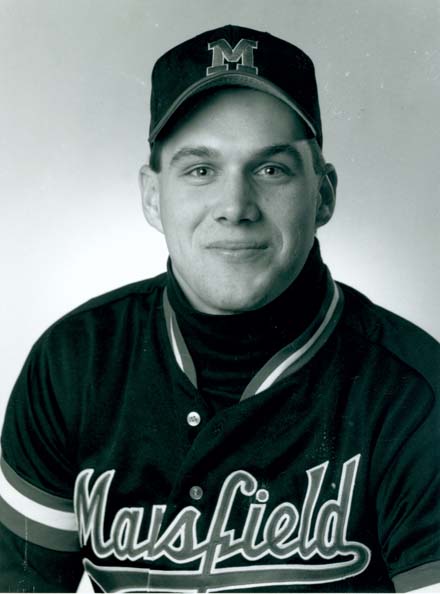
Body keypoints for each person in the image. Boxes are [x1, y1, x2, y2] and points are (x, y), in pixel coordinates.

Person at [0, 24, 439, 593]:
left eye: (271, 169)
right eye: (201, 170)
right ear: (153, 196)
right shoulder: (74, 363)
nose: (235, 206)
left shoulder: (413, 389)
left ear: (324, 193)